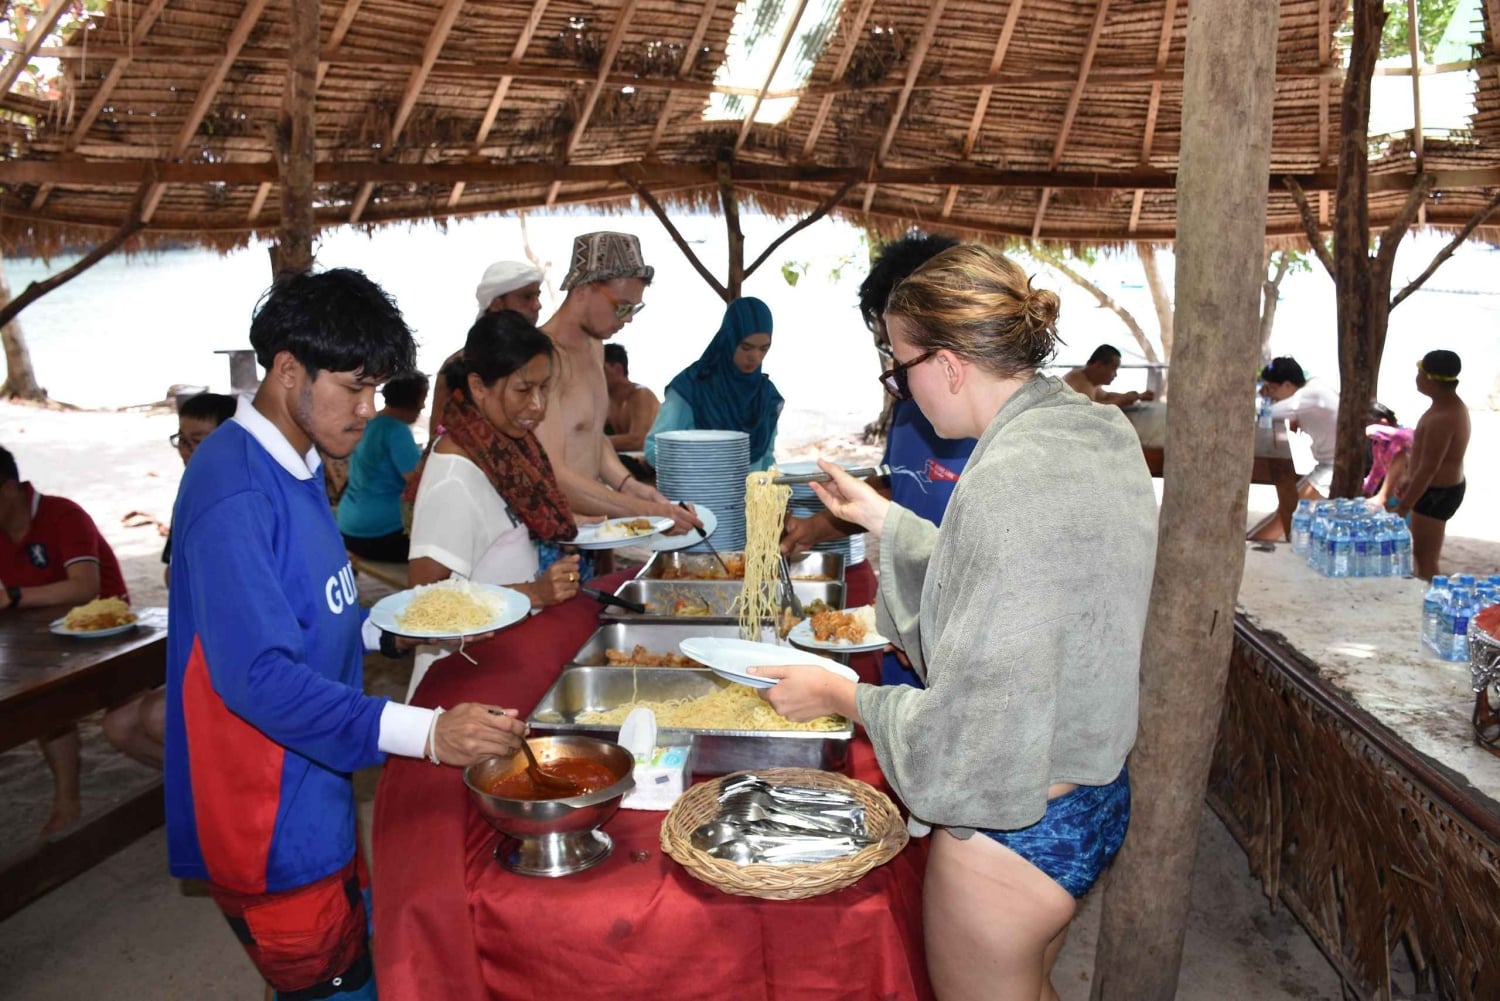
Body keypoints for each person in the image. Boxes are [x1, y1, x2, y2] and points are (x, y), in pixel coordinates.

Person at [751, 245, 1157, 1001]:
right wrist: (879, 513)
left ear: (948, 362)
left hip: (1010, 831)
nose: (900, 386)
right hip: (1093, 793)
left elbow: (966, 734)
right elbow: (1010, 583)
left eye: (898, 365)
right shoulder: (1094, 432)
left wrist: (840, 694)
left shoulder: (1002, 479)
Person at [163, 268, 526, 1001]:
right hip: (267, 815)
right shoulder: (233, 489)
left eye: (377, 388)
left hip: (316, 791)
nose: (369, 410)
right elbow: (259, 674)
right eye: (354, 388)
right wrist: (427, 732)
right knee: (336, 986)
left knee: (348, 955)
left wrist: (388, 634)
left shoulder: (297, 461)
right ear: (289, 369)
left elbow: (310, 608)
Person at [780, 232, 976, 687]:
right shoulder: (910, 414)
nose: (894, 370)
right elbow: (900, 490)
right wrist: (817, 528)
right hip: (900, 647)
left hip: (961, 664)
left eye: (899, 352)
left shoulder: (1009, 441)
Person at [404, 311, 587, 699]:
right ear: (478, 387)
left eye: (544, 388)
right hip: (457, 686)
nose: (537, 405)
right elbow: (424, 600)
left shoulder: (505, 454)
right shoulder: (455, 475)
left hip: (499, 666)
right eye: (523, 390)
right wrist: (533, 593)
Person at [102, 392, 236, 769]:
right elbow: (172, 570)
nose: (186, 451)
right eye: (182, 440)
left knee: (155, 717)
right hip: (197, 641)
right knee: (118, 725)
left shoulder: (239, 497)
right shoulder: (190, 494)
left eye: (198, 441)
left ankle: (219, 785)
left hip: (228, 651)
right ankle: (200, 787)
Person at [1, 445, 130, 836]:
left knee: (46, 697)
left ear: (8, 489)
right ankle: (67, 798)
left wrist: (15, 596)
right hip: (34, 638)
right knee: (32, 687)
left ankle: (67, 799)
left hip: (102, 633)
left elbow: (84, 588)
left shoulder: (62, 514)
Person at [534, 231, 697, 534]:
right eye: (621, 306)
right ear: (583, 289)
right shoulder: (543, 358)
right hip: (554, 535)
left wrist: (630, 486)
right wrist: (651, 512)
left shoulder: (594, 347)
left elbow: (591, 436)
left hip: (593, 528)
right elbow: (553, 475)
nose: (628, 319)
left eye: (634, 308)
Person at [645, 296, 782, 472]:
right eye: (746, 347)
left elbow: (767, 461)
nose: (755, 357)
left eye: (764, 349)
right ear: (729, 340)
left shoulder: (765, 395)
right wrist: (705, 461)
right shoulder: (692, 387)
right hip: (694, 497)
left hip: (749, 499)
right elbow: (653, 449)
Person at [428, 260, 544, 437]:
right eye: (526, 297)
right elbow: (438, 433)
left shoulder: (543, 359)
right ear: (497, 304)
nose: (537, 305)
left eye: (537, 296)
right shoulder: (459, 363)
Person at [337, 371, 428, 562]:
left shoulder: (369, 424)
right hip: (379, 536)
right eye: (423, 398)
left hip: (348, 528)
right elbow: (417, 482)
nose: (424, 405)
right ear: (412, 400)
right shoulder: (397, 430)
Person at [1396, 350, 1470, 580]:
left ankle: (1428, 604)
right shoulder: (1445, 405)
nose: (1416, 377)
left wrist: (1404, 506)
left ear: (1430, 379)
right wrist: (1408, 477)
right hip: (1435, 488)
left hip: (1437, 493)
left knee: (1425, 559)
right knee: (1422, 557)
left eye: (1418, 372)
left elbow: (1429, 468)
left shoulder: (1445, 416)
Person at [1259, 355, 1339, 498]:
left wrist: (1263, 399)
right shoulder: (1313, 387)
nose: (1271, 394)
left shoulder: (1307, 395)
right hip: (1328, 463)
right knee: (1286, 510)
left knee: (1292, 513)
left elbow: (1268, 413)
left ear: (1288, 385)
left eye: (1272, 388)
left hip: (1336, 467)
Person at [603, 343, 660, 454]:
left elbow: (639, 441)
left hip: (655, 463)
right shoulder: (607, 401)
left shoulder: (641, 395)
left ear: (618, 369)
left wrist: (592, 442)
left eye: (600, 368)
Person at [1062, 344, 1156, 407]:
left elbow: (1106, 396)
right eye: (1113, 369)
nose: (1115, 375)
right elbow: (1089, 411)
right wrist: (1123, 399)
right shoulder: (1077, 380)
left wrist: (1137, 396)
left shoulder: (1090, 382)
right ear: (1098, 365)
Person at [1363, 402, 1412, 511]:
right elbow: (1377, 471)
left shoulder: (1403, 435)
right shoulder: (1378, 446)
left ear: (1383, 423)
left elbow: (1408, 437)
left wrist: (1371, 429)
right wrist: (1366, 490)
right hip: (1397, 493)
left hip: (1416, 492)